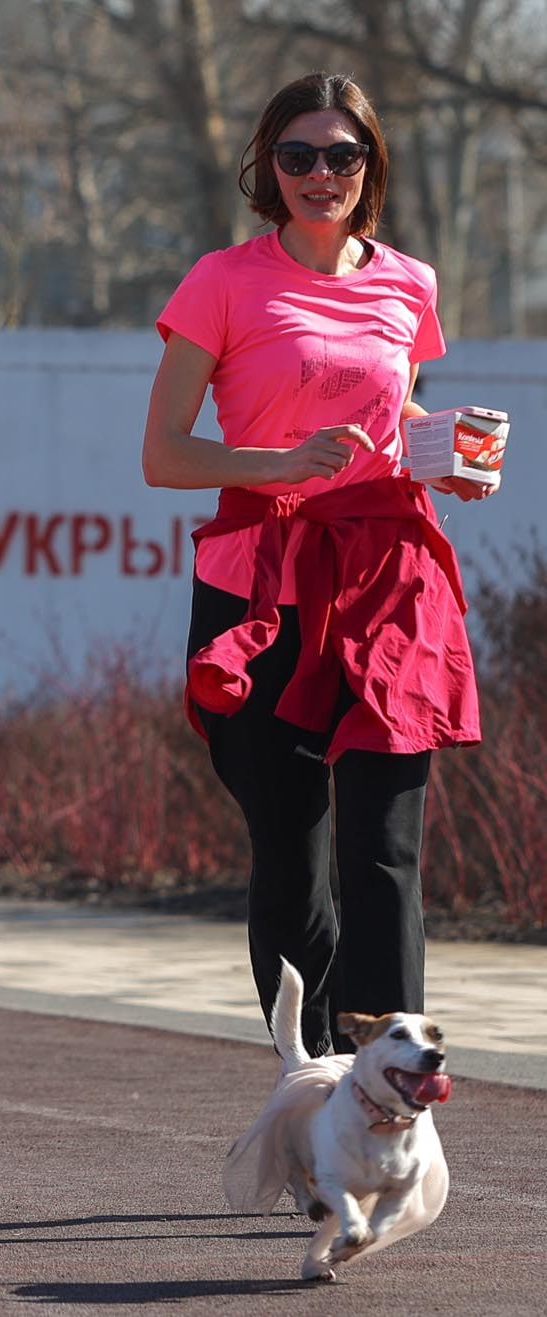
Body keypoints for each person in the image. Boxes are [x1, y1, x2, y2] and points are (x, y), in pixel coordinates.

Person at [142, 74, 493, 1061]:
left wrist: (448, 453)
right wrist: (278, 464)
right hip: (261, 579)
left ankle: (389, 1083)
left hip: (386, 576)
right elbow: (163, 454)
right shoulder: (221, 280)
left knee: (384, 849)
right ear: (269, 167)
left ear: (369, 166)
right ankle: (315, 1079)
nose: (319, 173)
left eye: (341, 155)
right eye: (297, 155)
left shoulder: (409, 282)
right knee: (291, 850)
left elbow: (391, 411)